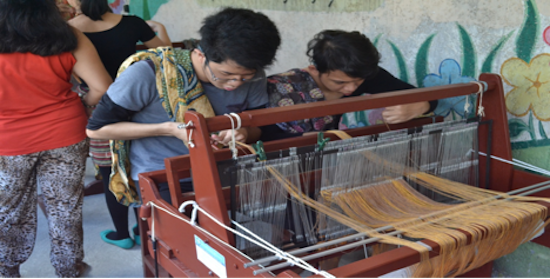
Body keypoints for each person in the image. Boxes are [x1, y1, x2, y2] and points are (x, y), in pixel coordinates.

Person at [86, 7, 280, 211]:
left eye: (246, 77)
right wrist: (168, 128)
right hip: (163, 176)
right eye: (226, 74)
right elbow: (97, 129)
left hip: (226, 169)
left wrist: (244, 132)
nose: (237, 83)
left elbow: (259, 127)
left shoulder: (254, 76)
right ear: (200, 54)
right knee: (186, 237)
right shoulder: (150, 74)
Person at [0, 0, 112, 278]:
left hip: (8, 142)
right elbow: (102, 87)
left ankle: (6, 270)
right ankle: (69, 269)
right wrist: (84, 105)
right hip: (66, 134)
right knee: (65, 208)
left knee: (7, 211)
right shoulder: (68, 34)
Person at [67, 0, 172, 250]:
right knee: (137, 164)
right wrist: (162, 29)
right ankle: (142, 226)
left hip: (98, 106)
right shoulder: (132, 23)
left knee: (109, 171)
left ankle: (122, 233)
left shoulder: (68, 29)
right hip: (137, 103)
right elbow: (165, 56)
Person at [261, 30, 437, 141]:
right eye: (340, 83)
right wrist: (301, 138)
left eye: (357, 82)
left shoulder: (364, 76)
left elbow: (424, 95)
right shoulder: (279, 89)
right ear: (314, 69)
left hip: (327, 158)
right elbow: (258, 135)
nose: (351, 89)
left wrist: (421, 106)